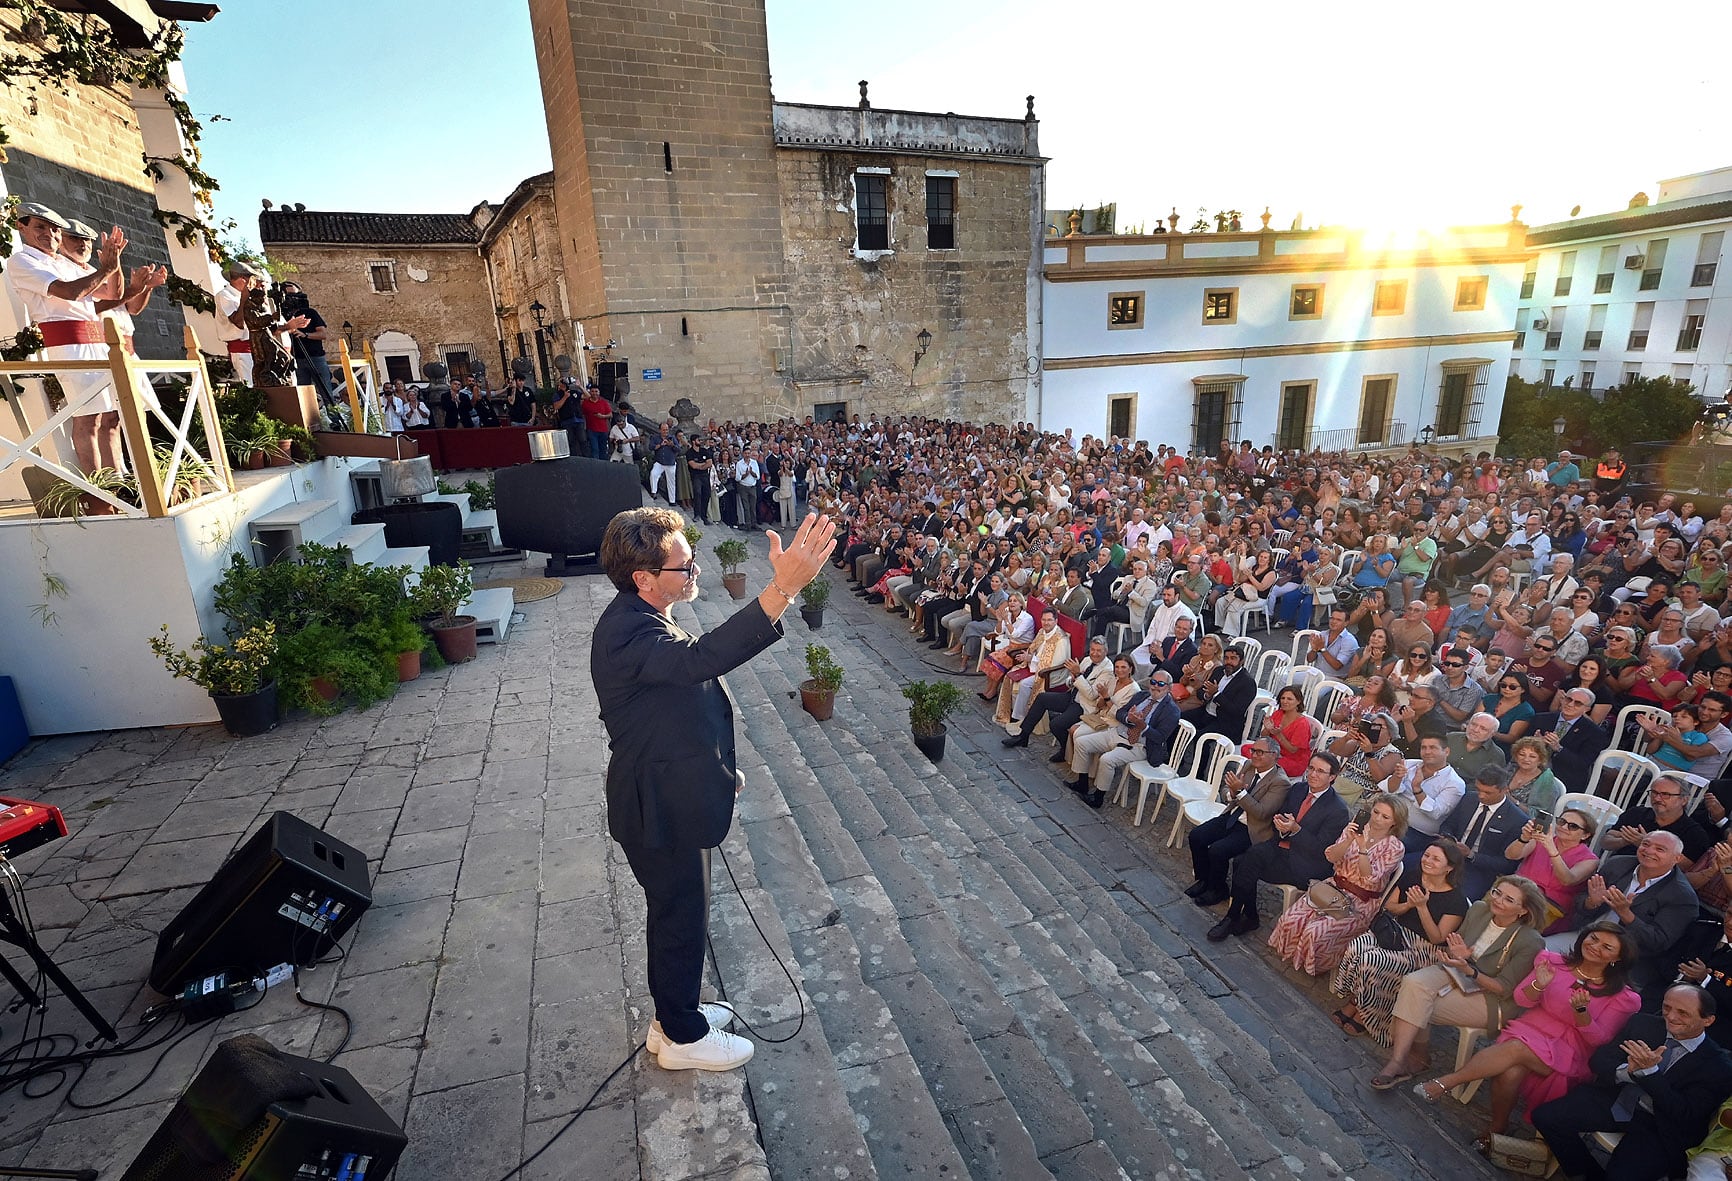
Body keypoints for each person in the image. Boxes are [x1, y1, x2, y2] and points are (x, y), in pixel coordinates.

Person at [591, 507, 835, 1071]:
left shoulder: (644, 615)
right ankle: (681, 1037)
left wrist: (716, 771)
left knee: (682, 914)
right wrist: (783, 588)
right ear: (643, 578)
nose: (694, 570)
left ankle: (672, 1017)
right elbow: (702, 661)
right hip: (657, 808)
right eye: (683, 564)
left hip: (674, 789)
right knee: (679, 917)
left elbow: (668, 712)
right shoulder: (627, 631)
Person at [1415, 923, 1641, 1152]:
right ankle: (1497, 1127)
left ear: (1618, 959)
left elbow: (1599, 1040)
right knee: (1510, 1071)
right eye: (1593, 938)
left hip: (1570, 1049)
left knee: (1516, 1048)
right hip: (1531, 1028)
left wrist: (1582, 1013)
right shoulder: (1552, 961)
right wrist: (1539, 986)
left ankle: (1446, 1083)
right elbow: (1523, 999)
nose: (1595, 947)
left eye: (1607, 947)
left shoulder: (1624, 998)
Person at [1531, 984, 1732, 1181]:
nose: (1670, 1017)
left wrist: (1650, 1072)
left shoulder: (1719, 1066)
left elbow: (1684, 1113)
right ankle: (1584, 1173)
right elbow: (1599, 1061)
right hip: (1618, 1099)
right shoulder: (1643, 1023)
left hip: (1661, 1126)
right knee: (1546, 1117)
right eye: (1667, 1007)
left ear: (1708, 1020)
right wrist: (1627, 1071)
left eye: (1683, 1013)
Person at [1369, 875, 1549, 1090]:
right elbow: (1457, 944)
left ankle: (1414, 1058)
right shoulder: (1480, 909)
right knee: (1412, 983)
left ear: (1523, 910)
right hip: (1459, 970)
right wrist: (1454, 955)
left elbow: (1504, 988)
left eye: (1509, 900)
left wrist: (1468, 969)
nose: (1499, 901)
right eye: (1497, 892)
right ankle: (1400, 1060)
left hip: (1491, 996)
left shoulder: (1530, 940)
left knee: (1420, 1003)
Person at [5, 202, 129, 473]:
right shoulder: (22, 261)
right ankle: (99, 491)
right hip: (70, 344)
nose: (50, 234)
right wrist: (104, 270)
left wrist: (114, 263)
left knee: (111, 417)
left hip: (97, 343)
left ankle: (119, 480)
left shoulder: (65, 262)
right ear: (22, 227)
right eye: (40, 227)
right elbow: (68, 292)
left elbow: (112, 294)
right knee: (88, 419)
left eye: (56, 229)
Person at [1329, 841, 1469, 1043]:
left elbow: (1437, 938)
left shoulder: (1456, 900)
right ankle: (1359, 999)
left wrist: (1422, 908)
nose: (1427, 861)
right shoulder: (1413, 875)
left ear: (1449, 867)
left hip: (1423, 948)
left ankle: (1367, 1014)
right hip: (1395, 932)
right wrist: (1408, 905)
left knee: (1372, 960)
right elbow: (1391, 907)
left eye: (1435, 859)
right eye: (1427, 855)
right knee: (1356, 947)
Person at [1207, 752, 1351, 942]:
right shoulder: (1298, 789)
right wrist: (1282, 826)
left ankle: (1235, 917)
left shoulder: (1338, 809)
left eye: (1321, 771)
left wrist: (1296, 830)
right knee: (1243, 860)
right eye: (1311, 769)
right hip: (1281, 845)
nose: (1313, 774)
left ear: (1332, 777)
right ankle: (1245, 916)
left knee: (1246, 863)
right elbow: (1282, 816)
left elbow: (1321, 849)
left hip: (1305, 863)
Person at [1267, 793, 1409, 975]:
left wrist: (1363, 849)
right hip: (1332, 888)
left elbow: (1369, 877)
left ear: (1395, 822)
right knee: (1291, 919)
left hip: (1359, 902)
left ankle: (1310, 966)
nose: (1377, 819)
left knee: (1315, 932)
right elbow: (1331, 857)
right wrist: (1349, 839)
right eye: (1376, 812)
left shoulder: (1395, 847)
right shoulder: (1356, 828)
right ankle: (1288, 953)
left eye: (1385, 817)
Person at [1185, 738, 1292, 905]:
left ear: (1274, 755)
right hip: (1233, 816)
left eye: (1260, 752)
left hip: (1252, 828)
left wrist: (1240, 792)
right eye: (1253, 750)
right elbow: (1227, 788)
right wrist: (1232, 794)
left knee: (1218, 850)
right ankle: (1204, 879)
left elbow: (1261, 812)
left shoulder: (1280, 782)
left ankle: (1217, 889)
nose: (1255, 755)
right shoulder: (1249, 765)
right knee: (1196, 836)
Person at [1435, 765, 1531, 900]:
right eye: (1478, 790)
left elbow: (1507, 864)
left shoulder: (1517, 820)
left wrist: (1471, 855)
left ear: (1504, 790)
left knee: (1459, 899)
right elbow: (1448, 824)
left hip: (1479, 869)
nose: (1481, 795)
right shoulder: (1469, 798)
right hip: (1449, 854)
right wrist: (1447, 838)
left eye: (1487, 793)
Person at [1507, 809, 1602, 933]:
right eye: (1561, 821)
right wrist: (1523, 838)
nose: (1563, 827)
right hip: (1516, 893)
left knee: (1510, 925)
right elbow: (1511, 855)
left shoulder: (1590, 859)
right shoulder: (1541, 838)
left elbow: (1567, 880)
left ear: (1585, 835)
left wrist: (1551, 848)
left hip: (1549, 907)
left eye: (1572, 826)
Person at [1191, 642, 1256, 740]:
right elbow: (1200, 691)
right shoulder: (1219, 671)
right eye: (1226, 658)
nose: (1228, 662)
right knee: (1178, 720)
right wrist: (1207, 695)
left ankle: (1202, 755)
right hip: (1206, 712)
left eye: (1233, 658)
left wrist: (1216, 694)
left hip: (1225, 722)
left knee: (1201, 738)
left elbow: (1236, 711)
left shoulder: (1247, 683)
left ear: (1241, 661)